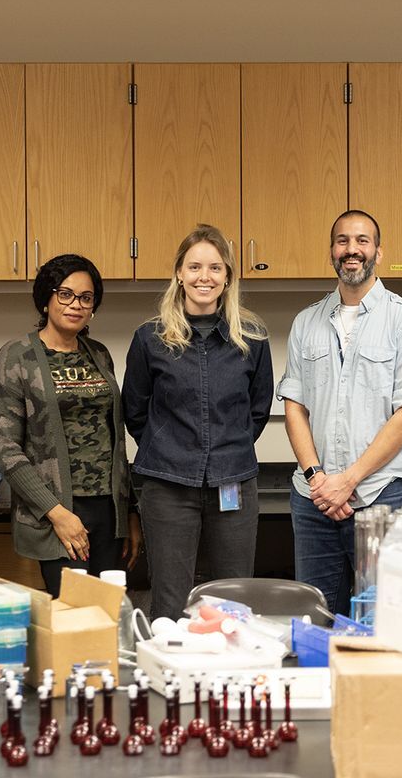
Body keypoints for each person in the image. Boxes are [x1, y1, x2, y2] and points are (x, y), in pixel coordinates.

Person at [276, 210, 402, 615]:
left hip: (383, 495)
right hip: (313, 500)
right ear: (332, 251)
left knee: (386, 619)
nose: (352, 250)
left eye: (362, 241)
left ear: (378, 252)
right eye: (343, 241)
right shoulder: (306, 322)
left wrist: (347, 481)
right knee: (314, 620)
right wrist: (318, 478)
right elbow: (294, 405)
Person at [123, 226, 274, 620]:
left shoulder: (252, 339)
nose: (203, 277)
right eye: (194, 267)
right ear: (179, 273)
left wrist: (224, 449)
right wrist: (172, 448)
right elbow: (135, 410)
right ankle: (170, 678)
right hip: (167, 486)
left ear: (227, 277)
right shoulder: (150, 338)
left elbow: (257, 411)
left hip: (233, 483)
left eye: (214, 267)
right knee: (171, 603)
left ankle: (228, 680)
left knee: (233, 601)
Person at [0, 254, 140, 597]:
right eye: (65, 294)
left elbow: (113, 439)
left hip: (109, 511)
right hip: (58, 511)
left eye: (86, 298)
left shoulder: (98, 354)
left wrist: (130, 512)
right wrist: (57, 514)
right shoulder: (17, 357)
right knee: (74, 613)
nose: (76, 305)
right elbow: (5, 448)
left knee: (110, 611)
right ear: (47, 298)